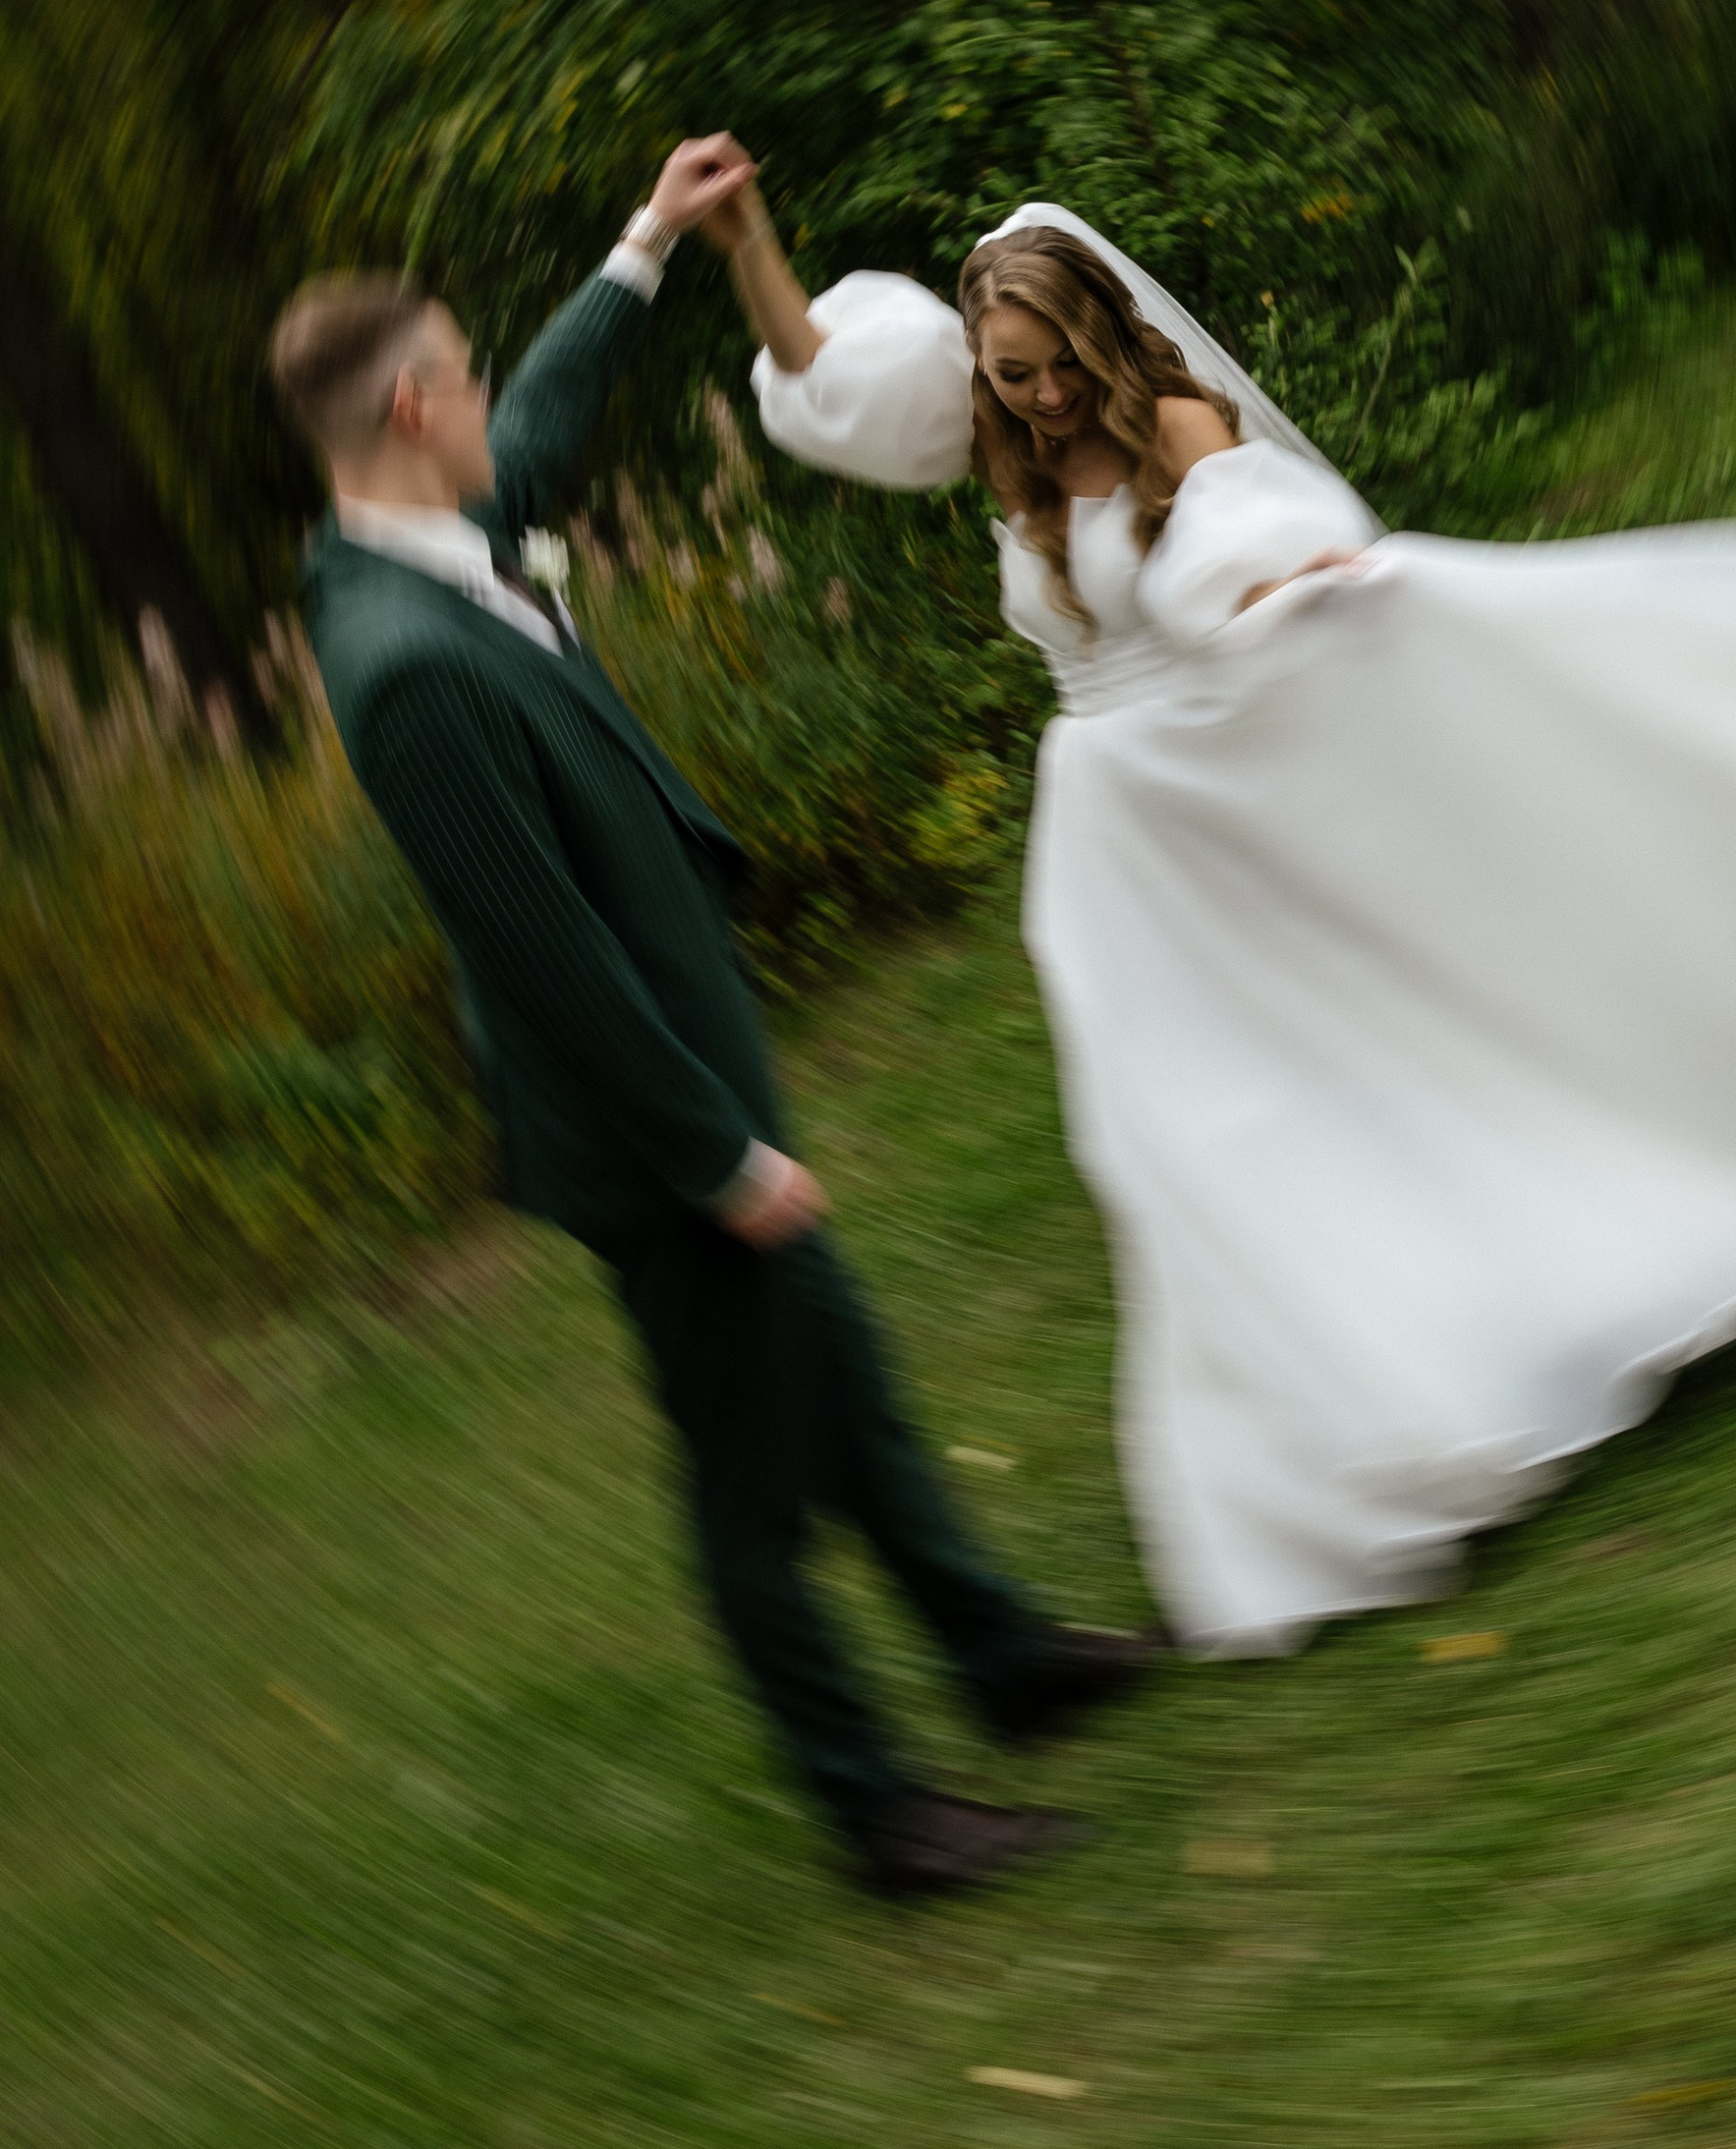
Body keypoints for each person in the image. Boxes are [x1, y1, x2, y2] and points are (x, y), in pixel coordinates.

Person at [714, 183, 1736, 1657]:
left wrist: (1316, 584)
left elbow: (1262, 559)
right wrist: (743, 247)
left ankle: (1518, 1322)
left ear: (1104, 333)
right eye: (1010, 374)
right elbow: (832, 381)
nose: (1040, 398)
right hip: (1121, 856)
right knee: (1171, 1139)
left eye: (1056, 366)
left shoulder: (1180, 430)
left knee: (1329, 1080)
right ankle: (1328, 1438)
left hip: (1230, 802)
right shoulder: (997, 435)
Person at [270, 138, 1160, 1900]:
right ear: (411, 404)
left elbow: (538, 430)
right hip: (647, 1126)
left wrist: (647, 248)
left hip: (696, 1061)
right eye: (460, 374)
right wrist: (717, 1158)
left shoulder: (443, 534)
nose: (484, 408)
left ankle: (1001, 1656)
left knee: (840, 1376)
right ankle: (876, 1816)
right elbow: (538, 957)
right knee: (751, 1479)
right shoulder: (404, 666)